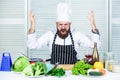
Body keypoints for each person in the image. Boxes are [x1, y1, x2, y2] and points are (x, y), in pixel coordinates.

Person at [27, 3, 101, 64]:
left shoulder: (76, 35)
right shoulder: (50, 35)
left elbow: (95, 45)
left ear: (70, 24)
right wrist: (32, 26)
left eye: (65, 24)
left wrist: (93, 26)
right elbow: (32, 45)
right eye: (60, 24)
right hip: (54, 72)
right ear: (56, 24)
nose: (63, 27)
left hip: (73, 73)